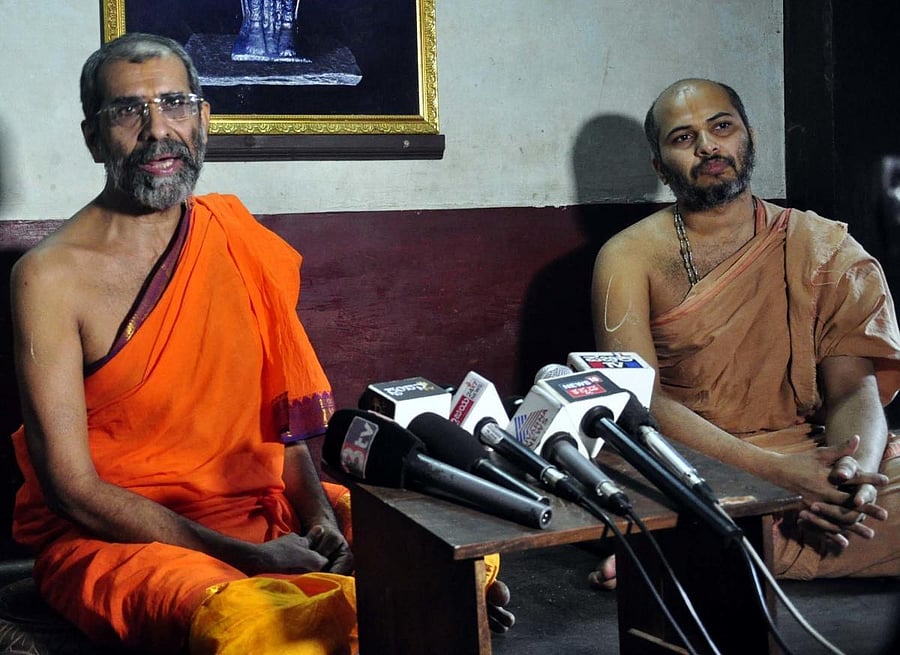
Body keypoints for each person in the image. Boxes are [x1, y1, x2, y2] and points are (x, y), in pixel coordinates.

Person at [8, 33, 511, 653]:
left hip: (263, 504)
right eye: (128, 110)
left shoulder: (234, 235)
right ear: (93, 137)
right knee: (255, 626)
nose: (157, 130)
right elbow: (71, 489)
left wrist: (319, 519)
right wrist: (248, 556)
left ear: (204, 120)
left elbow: (282, 427)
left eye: (175, 103)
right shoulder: (49, 277)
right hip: (123, 538)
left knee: (441, 539)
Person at [590, 78, 900, 587]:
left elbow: (852, 388)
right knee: (621, 482)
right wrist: (780, 477)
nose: (709, 146)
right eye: (683, 138)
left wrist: (849, 483)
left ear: (748, 138)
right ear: (660, 166)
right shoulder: (628, 256)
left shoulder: (818, 246)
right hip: (692, 460)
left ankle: (707, 557)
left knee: (873, 483)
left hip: (808, 451)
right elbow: (640, 402)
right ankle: (736, 544)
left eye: (721, 127)